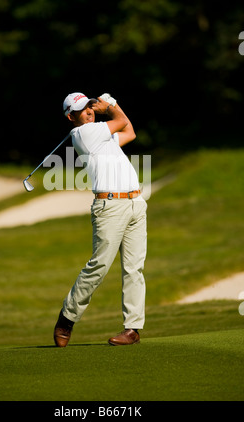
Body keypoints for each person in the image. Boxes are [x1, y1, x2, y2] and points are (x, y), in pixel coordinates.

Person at [54, 92, 147, 346]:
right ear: (71, 117)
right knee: (99, 266)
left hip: (135, 204)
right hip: (109, 206)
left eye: (90, 107)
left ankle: (133, 329)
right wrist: (112, 104)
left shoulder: (101, 136)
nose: (89, 111)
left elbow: (129, 132)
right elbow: (120, 120)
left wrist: (111, 107)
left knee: (134, 269)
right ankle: (67, 318)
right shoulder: (83, 134)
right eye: (82, 109)